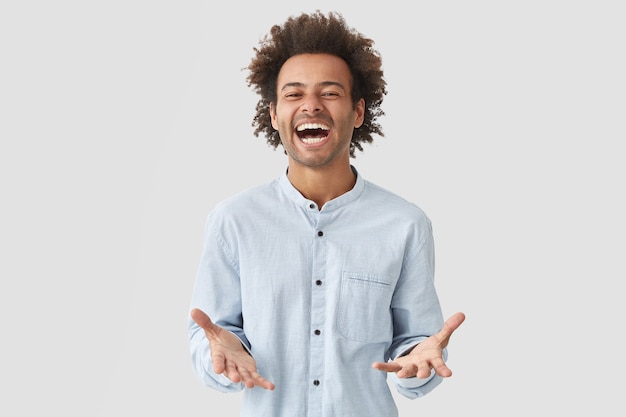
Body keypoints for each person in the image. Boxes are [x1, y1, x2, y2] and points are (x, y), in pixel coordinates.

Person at [188, 10, 465, 417]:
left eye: (330, 93)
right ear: (273, 114)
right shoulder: (234, 220)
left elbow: (418, 347)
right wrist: (223, 356)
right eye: (294, 94)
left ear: (357, 112)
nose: (311, 106)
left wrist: (418, 365)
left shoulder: (405, 224)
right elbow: (211, 336)